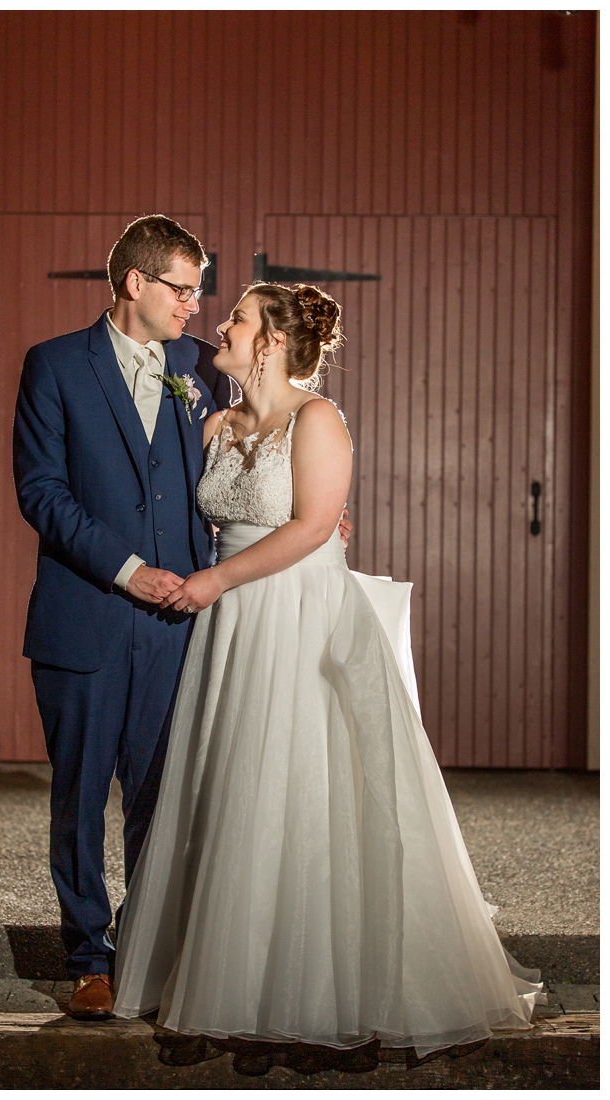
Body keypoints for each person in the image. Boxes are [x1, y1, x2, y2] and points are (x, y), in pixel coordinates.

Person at [112, 282, 546, 1057]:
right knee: (231, 789)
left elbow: (315, 526)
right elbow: (197, 517)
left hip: (296, 615)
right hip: (232, 629)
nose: (222, 324)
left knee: (300, 790)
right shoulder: (216, 422)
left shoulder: (318, 419)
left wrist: (217, 580)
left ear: (271, 342)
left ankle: (309, 1001)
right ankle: (222, 988)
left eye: (237, 318)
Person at [13, 213, 354, 1021]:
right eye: (182, 287)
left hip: (186, 627)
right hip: (89, 614)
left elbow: (273, 437)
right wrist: (131, 573)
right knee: (81, 794)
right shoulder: (55, 366)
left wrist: (314, 519)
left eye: (203, 292)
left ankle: (148, 949)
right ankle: (88, 958)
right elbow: (41, 495)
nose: (197, 306)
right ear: (136, 282)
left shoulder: (200, 367)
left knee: (169, 799)